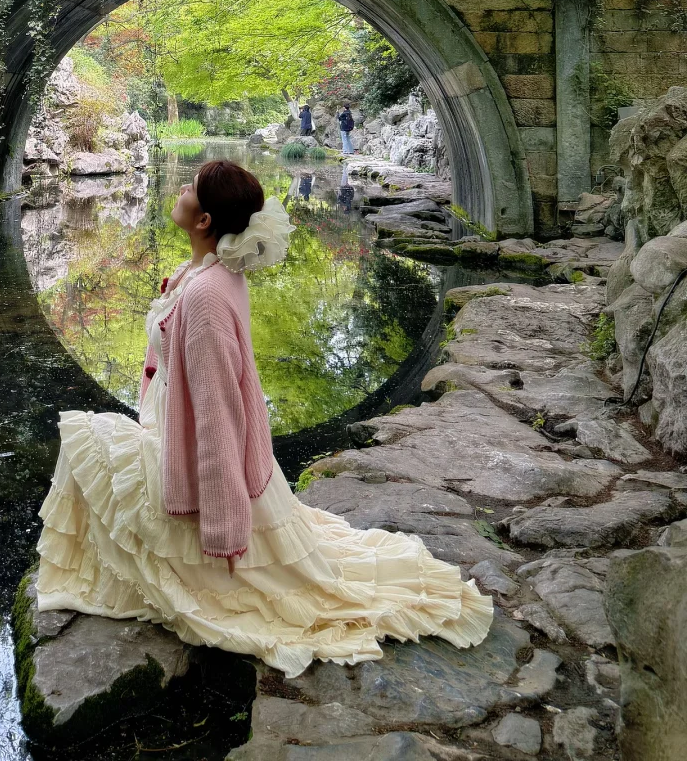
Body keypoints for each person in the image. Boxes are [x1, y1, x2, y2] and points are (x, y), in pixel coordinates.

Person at [34, 159, 492, 677]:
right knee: (95, 448)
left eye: (192, 187)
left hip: (194, 447)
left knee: (87, 442)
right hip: (168, 425)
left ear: (205, 221)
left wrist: (226, 523)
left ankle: (182, 560)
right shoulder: (203, 273)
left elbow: (218, 414)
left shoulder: (207, 296)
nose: (181, 188)